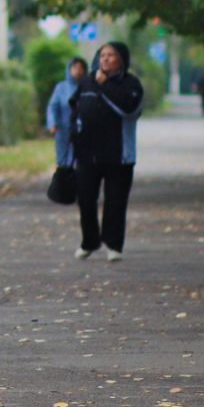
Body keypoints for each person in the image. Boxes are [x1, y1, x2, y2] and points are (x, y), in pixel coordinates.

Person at [70, 41, 144, 262]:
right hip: (88, 154)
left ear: (121, 60)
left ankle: (113, 244)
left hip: (119, 155)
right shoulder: (87, 82)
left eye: (111, 55)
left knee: (116, 201)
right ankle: (90, 241)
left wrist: (105, 86)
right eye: (102, 55)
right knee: (85, 199)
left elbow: (128, 108)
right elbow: (75, 107)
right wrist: (74, 134)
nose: (105, 59)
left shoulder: (131, 84)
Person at [45, 56, 88, 170]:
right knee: (64, 162)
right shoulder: (61, 87)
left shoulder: (88, 87)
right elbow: (52, 107)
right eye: (75, 67)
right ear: (69, 69)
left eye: (81, 68)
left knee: (82, 163)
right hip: (64, 130)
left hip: (84, 131)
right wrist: (52, 123)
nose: (78, 71)